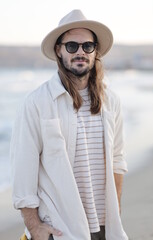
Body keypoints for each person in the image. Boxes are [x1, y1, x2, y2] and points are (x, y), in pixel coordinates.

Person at [11, 9, 128, 240]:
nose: (80, 52)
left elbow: (117, 161)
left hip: (105, 228)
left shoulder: (111, 101)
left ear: (95, 51)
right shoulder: (37, 103)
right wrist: (34, 228)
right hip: (60, 228)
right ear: (59, 50)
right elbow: (23, 170)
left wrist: (115, 214)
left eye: (87, 46)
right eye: (72, 46)